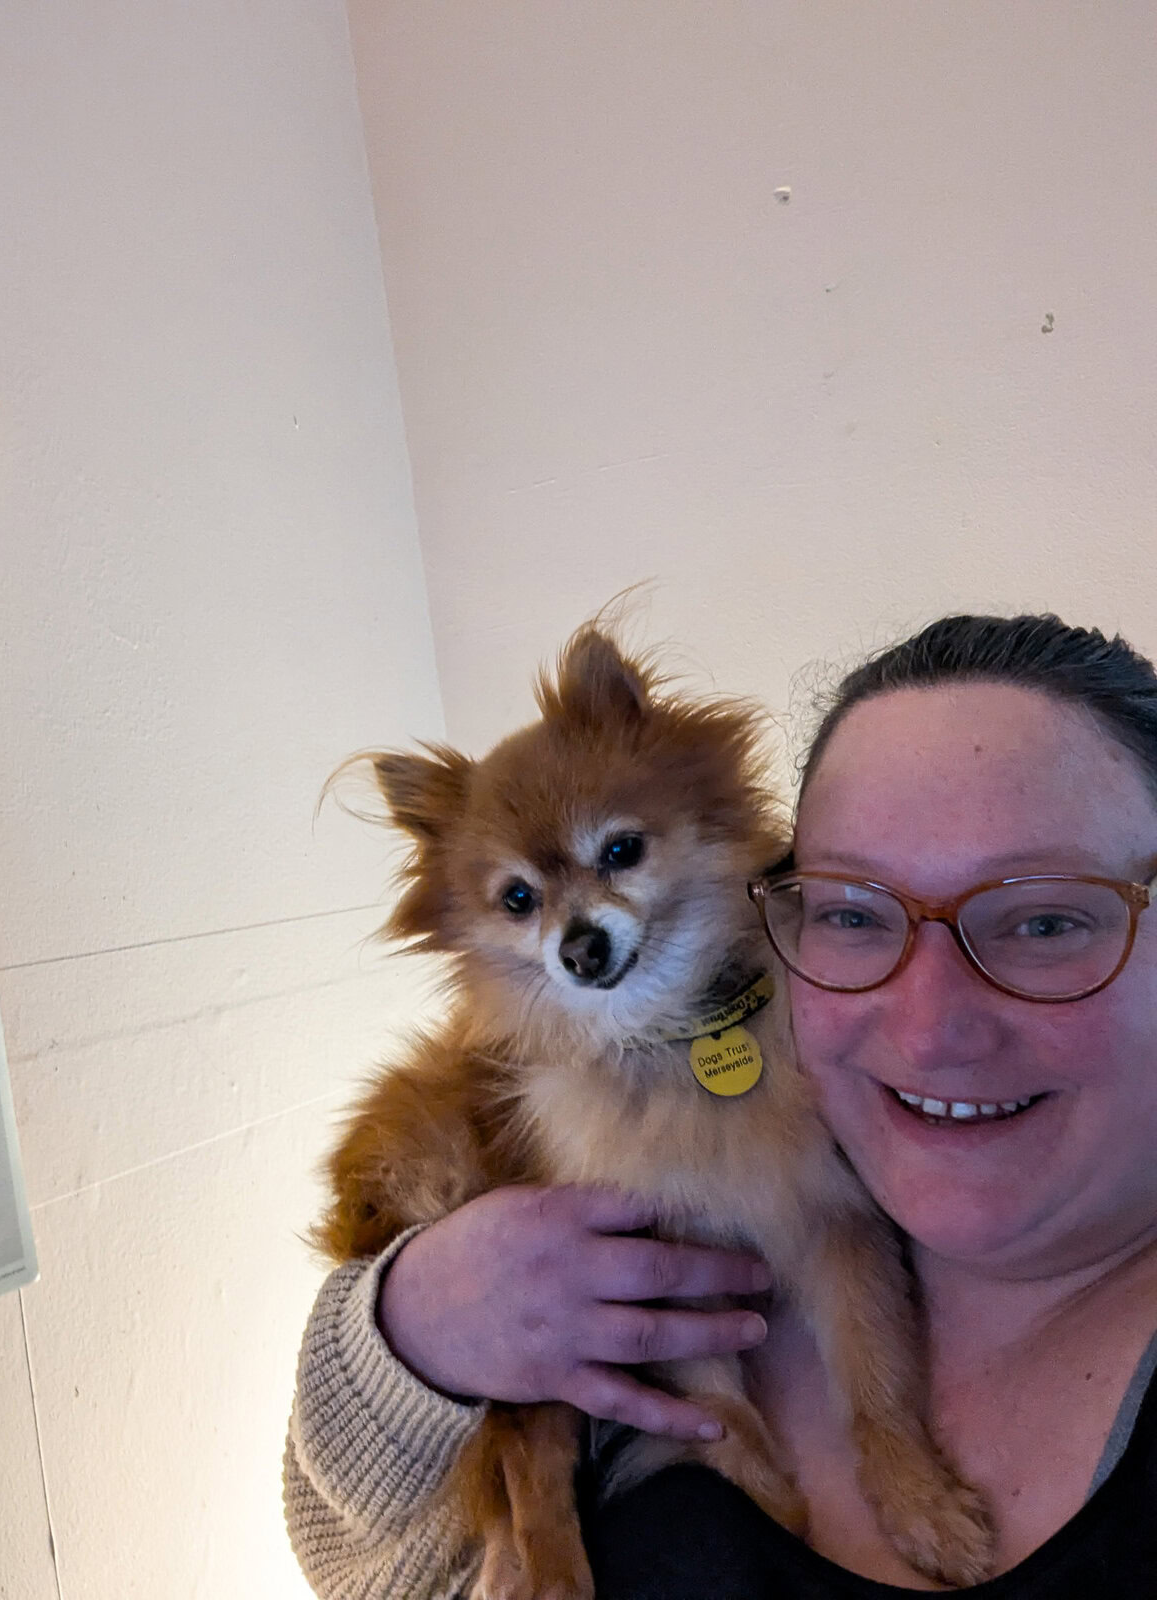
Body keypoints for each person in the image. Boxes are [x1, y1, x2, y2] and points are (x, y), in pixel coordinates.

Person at [283, 613, 1157, 1597]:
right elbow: (378, 1569)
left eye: (1043, 918)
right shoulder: (575, 1206)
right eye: (853, 913)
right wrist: (402, 1342)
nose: (931, 1027)